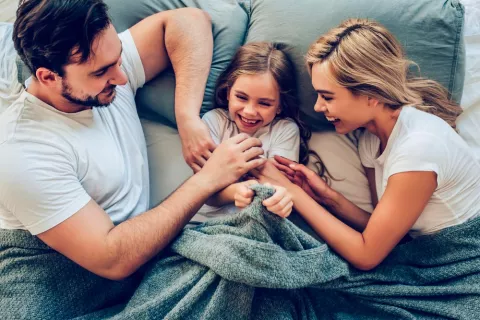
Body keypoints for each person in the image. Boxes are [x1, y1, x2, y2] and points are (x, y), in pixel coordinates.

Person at [0, 0, 266, 280]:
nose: (122, 77)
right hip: (55, 280)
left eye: (119, 58)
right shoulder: (21, 152)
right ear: (48, 77)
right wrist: (208, 178)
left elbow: (190, 21)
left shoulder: (99, 61)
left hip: (139, 258)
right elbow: (112, 260)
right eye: (102, 72)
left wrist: (187, 116)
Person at [253, 18, 480, 271]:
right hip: (419, 255)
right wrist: (327, 198)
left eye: (327, 96)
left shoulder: (419, 148)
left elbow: (367, 255)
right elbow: (377, 228)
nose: (318, 106)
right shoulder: (370, 139)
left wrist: (290, 192)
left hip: (462, 262)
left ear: (371, 95)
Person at [191, 42, 312, 223]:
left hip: (256, 225)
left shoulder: (284, 131)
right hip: (205, 224)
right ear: (227, 93)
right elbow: (205, 190)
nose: (249, 111)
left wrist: (276, 197)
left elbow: (277, 185)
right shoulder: (214, 121)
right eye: (241, 97)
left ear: (280, 106)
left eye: (264, 103)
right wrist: (235, 191)